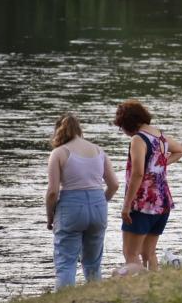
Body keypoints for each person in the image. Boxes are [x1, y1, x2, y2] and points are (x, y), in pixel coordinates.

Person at [45, 112, 119, 290]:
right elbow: (114, 184)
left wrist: (50, 217)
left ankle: (64, 299)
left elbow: (53, 192)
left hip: (71, 207)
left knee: (66, 262)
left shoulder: (58, 153)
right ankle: (97, 298)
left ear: (58, 131)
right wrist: (101, 202)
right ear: (80, 130)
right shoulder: (99, 151)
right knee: (93, 263)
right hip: (98, 205)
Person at [114, 99, 182, 271]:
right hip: (163, 203)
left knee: (130, 253)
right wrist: (159, 165)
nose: (122, 131)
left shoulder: (138, 139)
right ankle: (155, 287)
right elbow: (181, 150)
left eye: (121, 126)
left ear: (127, 123)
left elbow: (138, 173)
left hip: (143, 203)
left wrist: (126, 205)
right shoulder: (160, 137)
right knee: (149, 253)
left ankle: (139, 290)